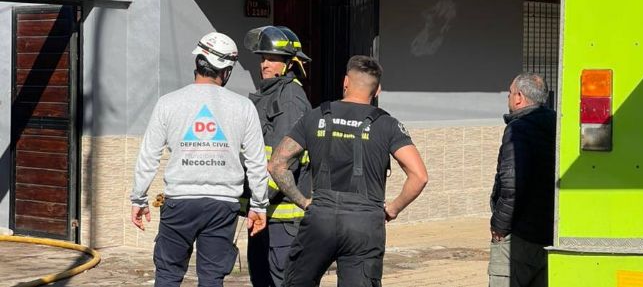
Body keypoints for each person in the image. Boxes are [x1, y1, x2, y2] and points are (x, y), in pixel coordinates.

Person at [269, 55, 429, 287]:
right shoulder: (388, 124)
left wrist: (303, 202)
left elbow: (276, 164)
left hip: (320, 219)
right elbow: (420, 176)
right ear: (378, 91)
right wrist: (392, 209)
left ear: (345, 82)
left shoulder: (316, 116)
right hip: (364, 225)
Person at [129, 32, 269, 287]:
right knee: (212, 278)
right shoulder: (243, 107)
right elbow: (256, 162)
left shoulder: (168, 103)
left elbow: (148, 155)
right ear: (226, 70)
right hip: (223, 205)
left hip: (179, 203)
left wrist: (139, 198)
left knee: (168, 276)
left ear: (197, 63)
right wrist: (259, 205)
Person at [243, 26, 312, 287]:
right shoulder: (270, 93)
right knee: (261, 280)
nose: (264, 64)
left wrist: (260, 200)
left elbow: (284, 161)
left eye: (272, 59)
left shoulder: (290, 97)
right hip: (263, 213)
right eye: (262, 58)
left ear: (289, 63)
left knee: (281, 281)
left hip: (282, 218)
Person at [488, 73, 556, 287]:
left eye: (509, 93)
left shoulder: (518, 129)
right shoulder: (558, 124)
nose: (508, 98)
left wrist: (499, 226)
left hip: (520, 236)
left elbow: (511, 185)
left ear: (519, 97)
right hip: (549, 233)